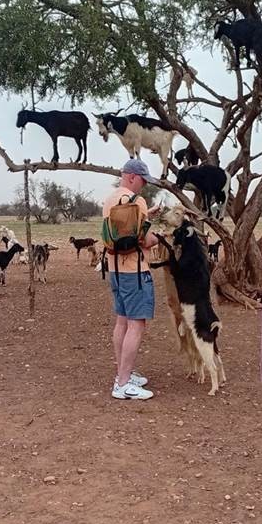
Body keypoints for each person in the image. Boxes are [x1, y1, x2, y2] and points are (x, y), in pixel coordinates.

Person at [102, 159, 160, 400]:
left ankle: (122, 373)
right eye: (143, 181)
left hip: (114, 269)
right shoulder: (138, 202)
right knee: (137, 325)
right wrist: (159, 236)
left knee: (122, 322)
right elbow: (145, 240)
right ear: (132, 177)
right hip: (135, 271)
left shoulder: (110, 199)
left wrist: (147, 216)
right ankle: (123, 384)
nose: (143, 186)